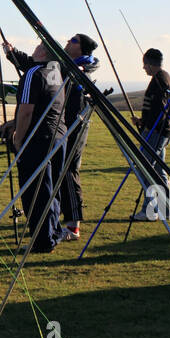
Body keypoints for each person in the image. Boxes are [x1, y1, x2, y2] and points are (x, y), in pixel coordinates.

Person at [2, 38, 66, 252]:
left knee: (35, 191)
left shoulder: (33, 74)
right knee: (51, 188)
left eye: (39, 46)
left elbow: (26, 110)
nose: (35, 47)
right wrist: (12, 53)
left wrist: (19, 138)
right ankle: (53, 231)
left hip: (37, 139)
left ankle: (42, 240)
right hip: (58, 136)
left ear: (43, 53)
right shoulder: (55, 71)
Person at [57, 33, 100, 241]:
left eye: (73, 41)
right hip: (65, 125)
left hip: (76, 125)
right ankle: (59, 217)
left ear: (81, 48)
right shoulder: (72, 65)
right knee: (61, 170)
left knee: (69, 170)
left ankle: (74, 226)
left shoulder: (82, 69)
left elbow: (91, 65)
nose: (67, 42)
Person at [131, 48, 170, 222]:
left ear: (150, 63)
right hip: (160, 130)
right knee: (159, 171)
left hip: (157, 132)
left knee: (145, 169)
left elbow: (160, 110)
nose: (144, 68)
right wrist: (142, 121)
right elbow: (156, 109)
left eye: (144, 65)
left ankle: (150, 211)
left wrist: (148, 126)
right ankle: (166, 209)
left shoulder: (159, 80)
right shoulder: (164, 78)